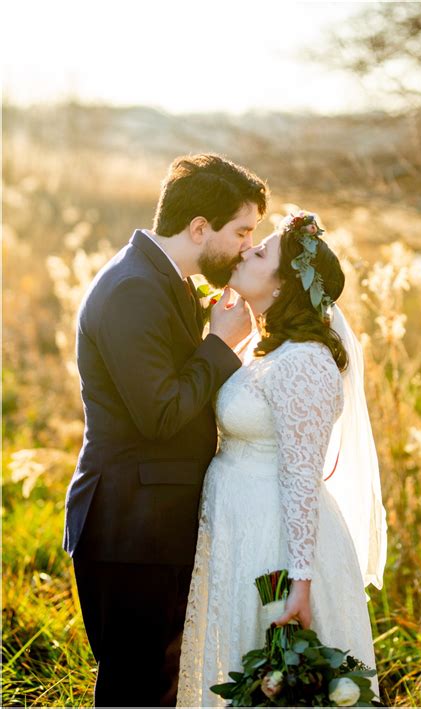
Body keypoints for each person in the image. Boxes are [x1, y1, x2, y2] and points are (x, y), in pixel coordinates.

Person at [62, 153, 268, 707]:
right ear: (199, 228)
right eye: (242, 231)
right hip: (130, 527)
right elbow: (159, 414)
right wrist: (221, 345)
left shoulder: (166, 280)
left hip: (154, 523)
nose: (248, 246)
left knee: (157, 685)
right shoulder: (133, 289)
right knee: (135, 689)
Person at [176, 211, 388, 707]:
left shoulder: (306, 362)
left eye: (261, 251)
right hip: (236, 532)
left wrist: (300, 584)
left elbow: (300, 478)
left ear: (286, 283)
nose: (246, 251)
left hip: (273, 550)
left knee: (273, 675)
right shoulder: (267, 351)